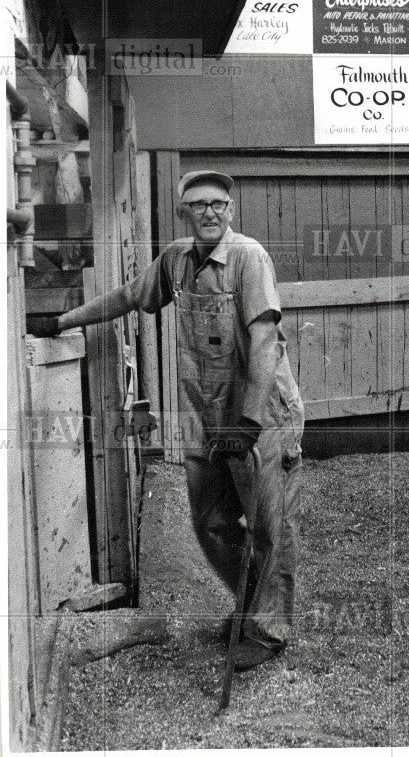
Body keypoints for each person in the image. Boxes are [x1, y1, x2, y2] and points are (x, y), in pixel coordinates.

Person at [28, 170, 304, 672]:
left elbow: (264, 343)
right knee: (210, 522)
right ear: (184, 213)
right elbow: (129, 296)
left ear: (231, 209)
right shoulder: (177, 260)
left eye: (219, 203)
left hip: (261, 416)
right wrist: (60, 322)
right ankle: (250, 602)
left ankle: (268, 629)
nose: (210, 213)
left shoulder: (249, 258)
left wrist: (248, 421)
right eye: (198, 205)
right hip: (209, 415)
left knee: (269, 526)